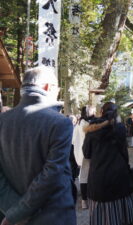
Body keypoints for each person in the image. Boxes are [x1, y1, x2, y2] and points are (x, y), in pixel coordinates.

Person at [0, 66, 76, 225]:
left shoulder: (3, 121)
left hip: (13, 216)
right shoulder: (60, 122)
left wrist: (14, 211)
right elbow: (51, 174)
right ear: (49, 87)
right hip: (53, 215)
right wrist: (21, 211)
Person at [83, 102, 133, 225]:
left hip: (98, 178)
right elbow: (124, 153)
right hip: (119, 176)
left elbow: (86, 153)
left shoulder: (92, 128)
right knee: (120, 217)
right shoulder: (120, 128)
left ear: (101, 112)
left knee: (100, 219)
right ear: (117, 114)